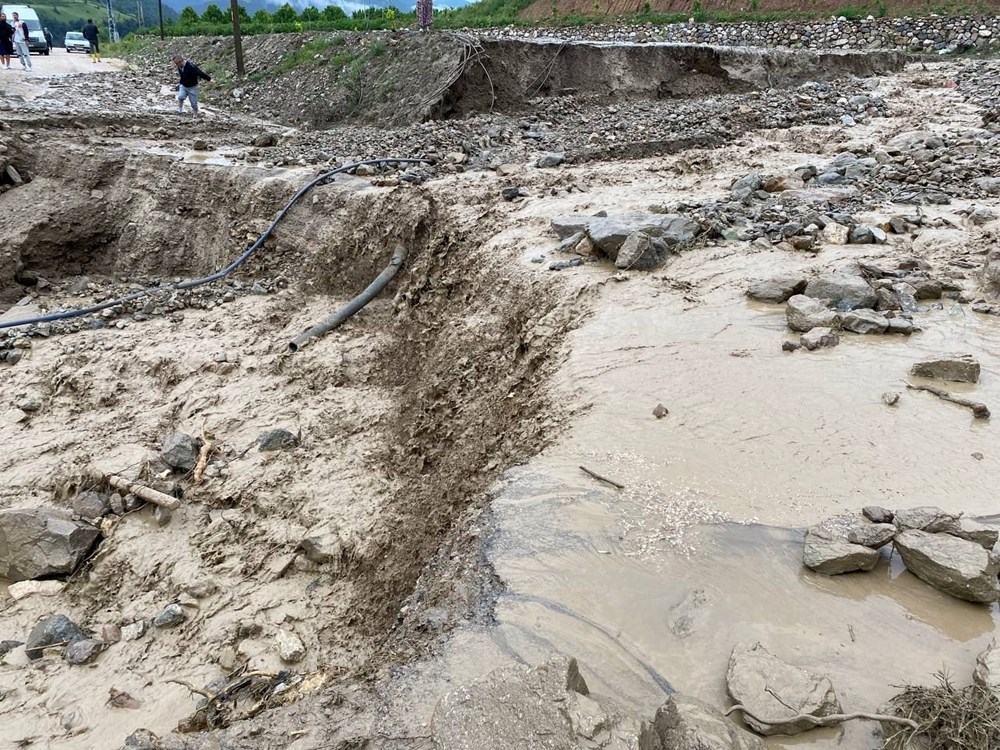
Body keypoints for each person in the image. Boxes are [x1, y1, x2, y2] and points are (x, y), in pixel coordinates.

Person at [171, 53, 211, 120]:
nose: (177, 65)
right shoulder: (179, 67)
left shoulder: (190, 66)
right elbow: (182, 76)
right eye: (175, 64)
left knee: (193, 103)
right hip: (183, 85)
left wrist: (209, 79)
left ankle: (195, 113)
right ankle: (180, 110)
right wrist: (179, 85)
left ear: (181, 60)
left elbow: (200, 73)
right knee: (180, 97)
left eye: (177, 63)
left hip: (192, 87)